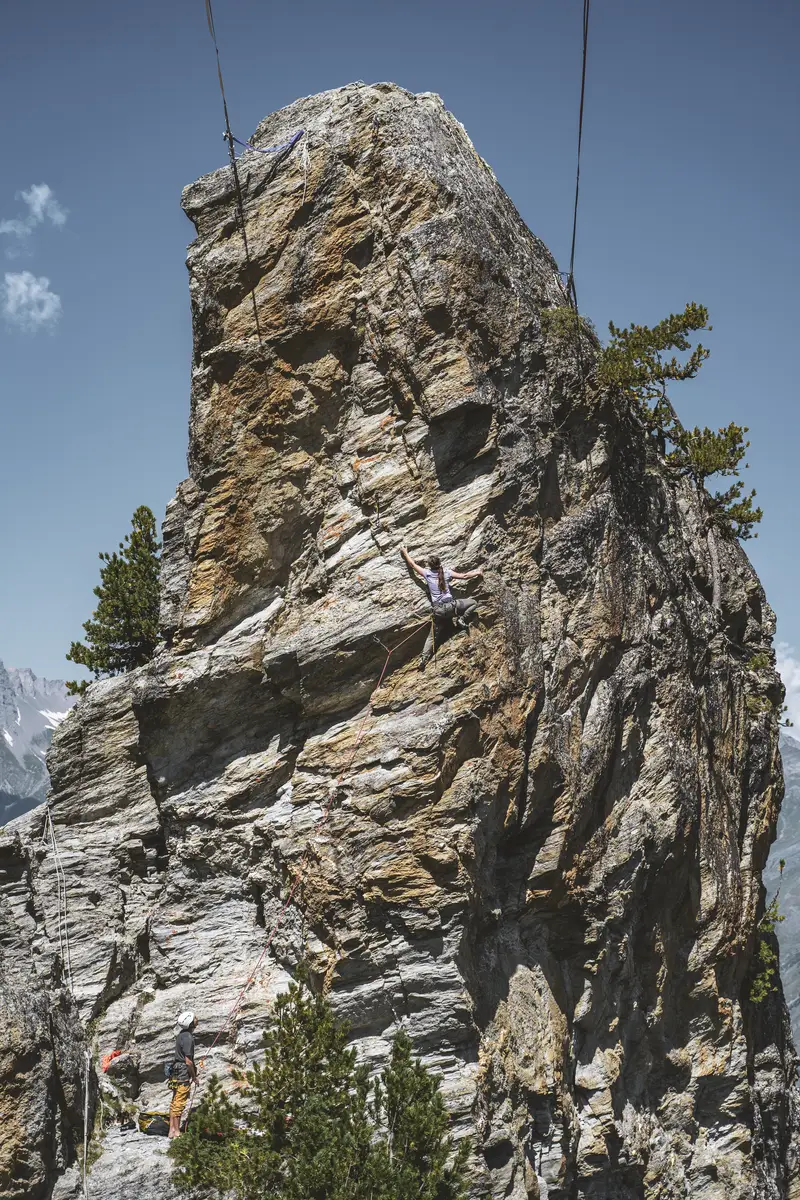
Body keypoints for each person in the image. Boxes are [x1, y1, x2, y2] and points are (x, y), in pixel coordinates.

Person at [400, 544, 483, 666]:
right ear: (440, 563)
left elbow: (412, 565)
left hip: (438, 611)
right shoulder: (447, 573)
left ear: (429, 565)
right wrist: (478, 572)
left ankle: (424, 659)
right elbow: (464, 576)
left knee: (432, 636)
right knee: (473, 603)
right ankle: (461, 619)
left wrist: (405, 552)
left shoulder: (427, 574)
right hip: (452, 608)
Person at [168, 1010, 198, 1138]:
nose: (197, 1019)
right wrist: (194, 1077)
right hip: (182, 1072)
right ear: (190, 1023)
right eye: (194, 1018)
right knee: (179, 1101)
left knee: (174, 1100)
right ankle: (177, 1132)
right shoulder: (188, 1038)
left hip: (175, 1070)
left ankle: (171, 1131)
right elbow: (188, 1061)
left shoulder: (181, 1035)